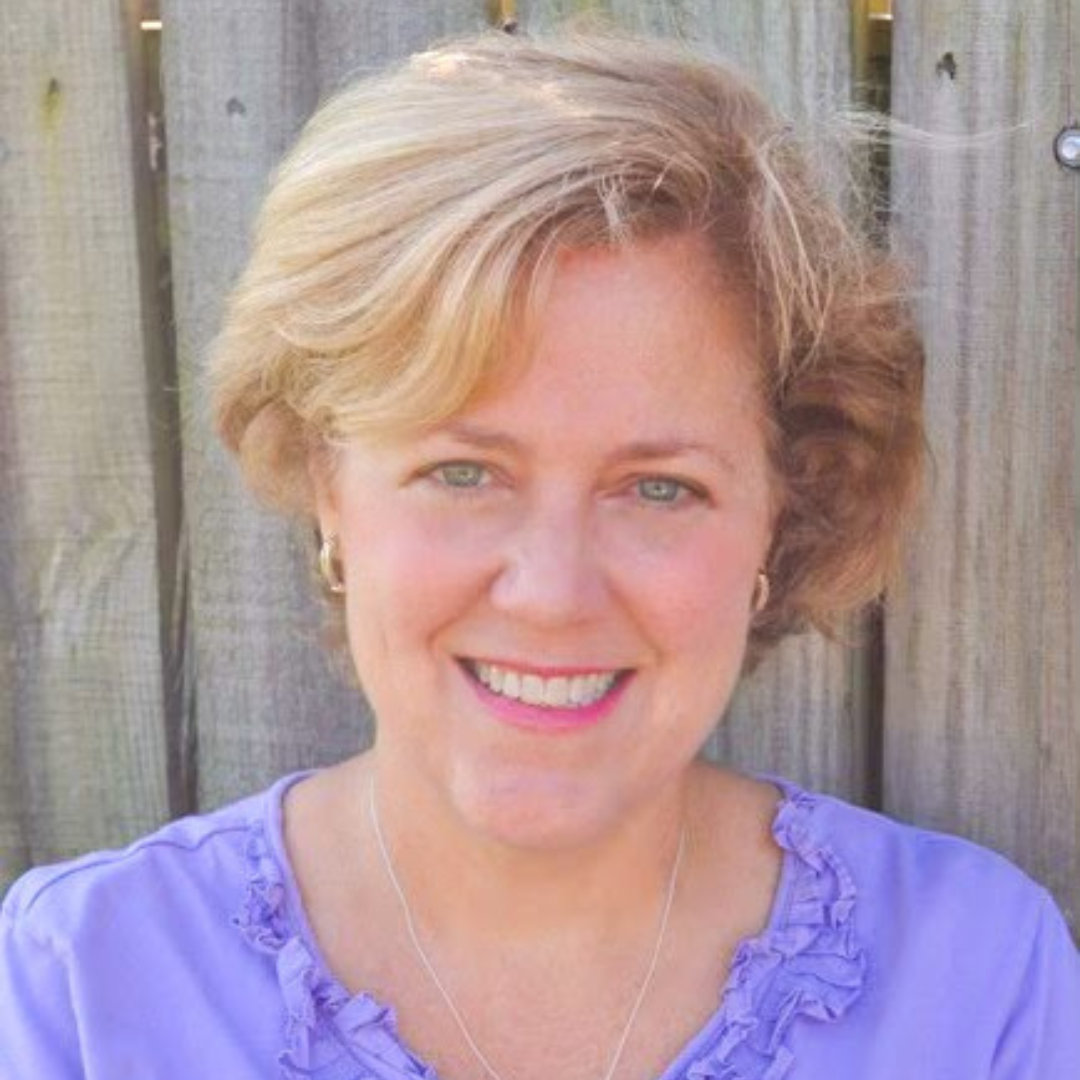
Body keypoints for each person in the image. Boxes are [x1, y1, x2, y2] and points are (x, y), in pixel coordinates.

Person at [1, 28, 1077, 1080]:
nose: (552, 592)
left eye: (660, 488)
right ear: (329, 488)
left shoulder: (976, 985)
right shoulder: (82, 991)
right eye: (465, 472)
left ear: (780, 521)